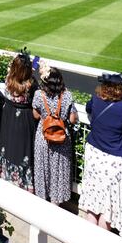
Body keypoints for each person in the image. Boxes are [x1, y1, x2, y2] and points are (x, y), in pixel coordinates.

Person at [79, 73, 122, 238]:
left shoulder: (95, 101)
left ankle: (90, 240)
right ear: (119, 90)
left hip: (95, 156)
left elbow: (89, 108)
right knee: (107, 208)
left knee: (93, 201)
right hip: (113, 161)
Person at [32, 64, 77, 205]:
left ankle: (42, 203)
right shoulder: (67, 96)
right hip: (61, 139)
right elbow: (72, 119)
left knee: (42, 171)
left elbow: (35, 115)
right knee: (59, 173)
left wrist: (47, 116)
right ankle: (55, 206)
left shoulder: (39, 95)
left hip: (43, 137)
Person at [0, 50, 38, 193]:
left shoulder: (9, 79)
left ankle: (7, 179)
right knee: (23, 150)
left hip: (9, 115)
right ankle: (24, 186)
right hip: (25, 119)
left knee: (9, 147)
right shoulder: (31, 84)